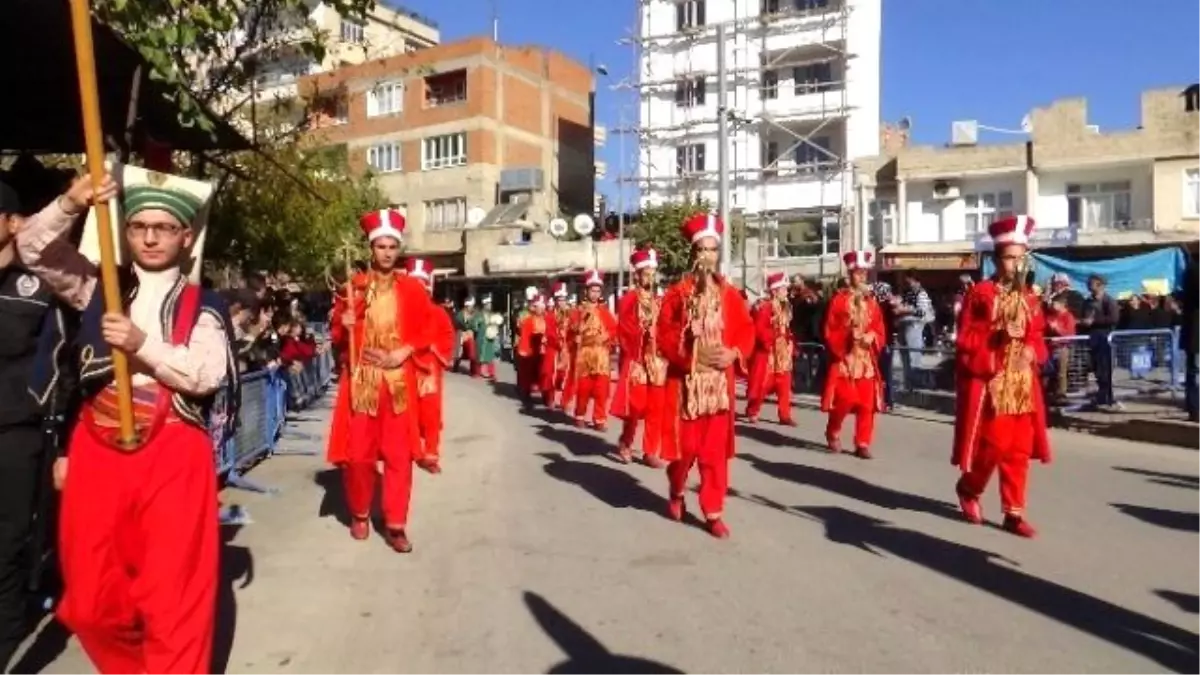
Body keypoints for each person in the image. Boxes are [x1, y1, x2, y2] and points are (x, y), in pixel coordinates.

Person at [19, 169, 237, 674]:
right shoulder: (98, 286)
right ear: (127, 232)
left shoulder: (204, 305)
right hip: (96, 446)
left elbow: (205, 375)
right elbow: (33, 250)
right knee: (90, 604)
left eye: (164, 227)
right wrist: (72, 202)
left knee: (172, 599)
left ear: (186, 236)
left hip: (174, 449)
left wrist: (142, 344)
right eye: (139, 226)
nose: (151, 236)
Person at [0, 178, 79, 672]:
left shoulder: (39, 288)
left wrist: (67, 445)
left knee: (7, 546)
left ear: (13, 223)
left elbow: (68, 368)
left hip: (17, 436)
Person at [330, 209, 438, 552]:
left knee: (399, 456)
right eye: (381, 246)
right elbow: (336, 337)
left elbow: (429, 328)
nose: (388, 252)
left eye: (393, 246)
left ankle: (396, 523)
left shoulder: (412, 289)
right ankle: (360, 513)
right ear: (371, 249)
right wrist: (342, 323)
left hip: (398, 382)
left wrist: (403, 352)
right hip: (362, 380)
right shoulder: (354, 287)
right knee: (359, 457)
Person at [953, 215, 1051, 539]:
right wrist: (995, 335)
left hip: (1021, 382)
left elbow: (1037, 336)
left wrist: (1032, 351)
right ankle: (970, 488)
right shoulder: (980, 294)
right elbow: (965, 338)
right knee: (992, 446)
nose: (1015, 264)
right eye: (1009, 257)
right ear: (996, 259)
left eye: (1020, 257)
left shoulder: (1031, 298)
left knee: (1018, 450)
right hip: (992, 379)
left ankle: (1013, 512)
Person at [657, 214, 753, 539]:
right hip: (687, 387)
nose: (708, 255)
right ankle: (677, 491)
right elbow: (663, 336)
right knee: (684, 453)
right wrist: (686, 340)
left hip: (718, 389)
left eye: (713, 249)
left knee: (714, 455)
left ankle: (713, 512)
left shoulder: (730, 294)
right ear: (693, 252)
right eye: (702, 249)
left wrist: (735, 353)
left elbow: (746, 331)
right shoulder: (677, 294)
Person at [822, 252, 886, 458]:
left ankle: (863, 442)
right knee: (845, 400)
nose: (861, 277)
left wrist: (872, 335)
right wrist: (847, 335)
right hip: (845, 359)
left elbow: (880, 328)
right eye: (857, 273)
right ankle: (833, 431)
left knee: (867, 405)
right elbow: (829, 330)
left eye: (864, 273)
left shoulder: (872, 302)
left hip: (866, 360)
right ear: (849, 274)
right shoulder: (839, 301)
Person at [611, 247, 667, 467]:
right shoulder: (628, 300)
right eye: (647, 274)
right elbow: (624, 329)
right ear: (637, 275)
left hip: (657, 361)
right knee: (635, 407)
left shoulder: (658, 300)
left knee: (656, 408)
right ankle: (626, 441)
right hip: (637, 361)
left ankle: (651, 450)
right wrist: (641, 331)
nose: (650, 278)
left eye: (653, 274)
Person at [406, 258, 455, 473]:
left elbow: (448, 336)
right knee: (407, 410)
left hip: (430, 370)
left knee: (430, 412)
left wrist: (435, 348)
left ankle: (431, 452)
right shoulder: (400, 312)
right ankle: (411, 449)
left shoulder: (438, 312)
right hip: (405, 367)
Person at [567, 270, 617, 430]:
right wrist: (575, 337)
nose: (595, 294)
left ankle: (599, 419)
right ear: (586, 291)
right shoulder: (578, 311)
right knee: (584, 388)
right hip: (585, 354)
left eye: (597, 291)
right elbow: (571, 331)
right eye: (592, 290)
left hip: (601, 354)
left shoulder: (605, 312)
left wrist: (608, 337)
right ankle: (580, 414)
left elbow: (614, 330)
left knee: (602, 389)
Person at [745, 272, 796, 426]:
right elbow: (760, 329)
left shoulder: (785, 306)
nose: (786, 292)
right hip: (769, 352)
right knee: (763, 384)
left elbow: (786, 328)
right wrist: (773, 338)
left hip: (783, 350)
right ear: (775, 291)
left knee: (784, 384)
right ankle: (753, 410)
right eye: (783, 289)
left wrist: (790, 340)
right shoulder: (765, 307)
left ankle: (784, 414)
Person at [1078, 274, 1120, 409]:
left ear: (1100, 285)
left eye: (1092, 283)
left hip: (1105, 339)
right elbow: (1083, 316)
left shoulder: (1109, 301)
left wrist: (1094, 321)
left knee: (1105, 370)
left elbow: (1113, 319)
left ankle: (1108, 397)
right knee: (1096, 369)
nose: (1089, 286)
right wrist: (1083, 322)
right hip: (1092, 340)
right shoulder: (1087, 302)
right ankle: (1101, 395)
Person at [516, 293, 554, 408]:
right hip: (531, 351)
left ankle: (547, 397)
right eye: (539, 307)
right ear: (534, 307)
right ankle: (526, 395)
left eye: (543, 307)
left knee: (546, 374)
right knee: (529, 373)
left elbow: (553, 334)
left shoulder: (550, 319)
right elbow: (524, 337)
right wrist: (524, 350)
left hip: (544, 351)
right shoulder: (528, 321)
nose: (541, 309)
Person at [546, 281, 573, 410]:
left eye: (563, 299)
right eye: (559, 299)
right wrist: (558, 342)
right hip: (554, 349)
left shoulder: (572, 314)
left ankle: (565, 401)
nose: (561, 302)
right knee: (552, 375)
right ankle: (550, 399)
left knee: (567, 376)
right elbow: (549, 332)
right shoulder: (550, 316)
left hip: (568, 349)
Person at [454, 297, 483, 376]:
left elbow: (478, 325)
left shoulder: (476, 314)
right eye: (469, 306)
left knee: (472, 352)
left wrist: (472, 330)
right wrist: (462, 332)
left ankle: (474, 370)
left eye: (471, 306)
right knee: (458, 350)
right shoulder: (460, 314)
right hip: (461, 334)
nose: (470, 308)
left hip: (472, 336)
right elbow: (456, 324)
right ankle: (456, 365)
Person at [479, 295, 503, 380]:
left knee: (492, 355)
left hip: (491, 336)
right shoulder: (480, 314)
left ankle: (491, 372)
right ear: (485, 304)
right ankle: (482, 371)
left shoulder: (492, 314)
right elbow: (476, 324)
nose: (490, 305)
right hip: (483, 336)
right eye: (488, 304)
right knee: (483, 355)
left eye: (490, 304)